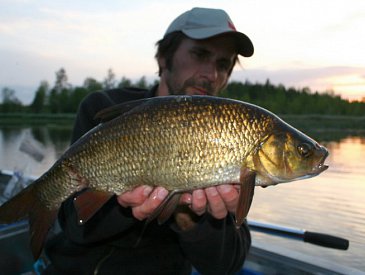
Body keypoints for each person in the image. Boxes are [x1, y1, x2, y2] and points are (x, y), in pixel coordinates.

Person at [44, 7, 254, 275]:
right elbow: (75, 227)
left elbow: (227, 265)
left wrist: (187, 217)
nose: (211, 74)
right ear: (164, 57)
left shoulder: (227, 134)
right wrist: (124, 208)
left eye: (223, 64)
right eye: (200, 54)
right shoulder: (104, 110)